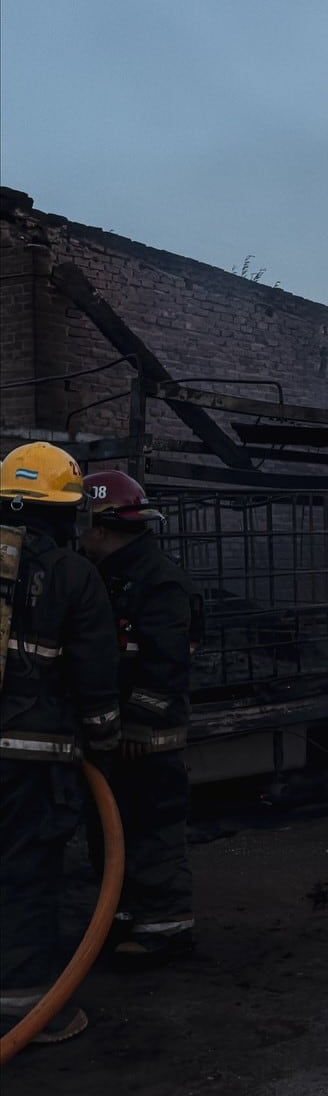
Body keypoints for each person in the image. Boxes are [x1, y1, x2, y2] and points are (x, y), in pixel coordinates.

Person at [0, 442, 120, 1045]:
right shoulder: (74, 575)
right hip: (30, 760)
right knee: (23, 877)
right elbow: (95, 674)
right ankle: (24, 1013)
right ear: (63, 509)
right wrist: (103, 737)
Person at [78, 468, 200, 967]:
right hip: (114, 734)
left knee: (151, 828)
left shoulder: (159, 581)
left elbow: (166, 662)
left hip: (149, 737)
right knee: (111, 830)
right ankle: (123, 915)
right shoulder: (108, 576)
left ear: (102, 525)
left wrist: (140, 722)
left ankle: (166, 930)